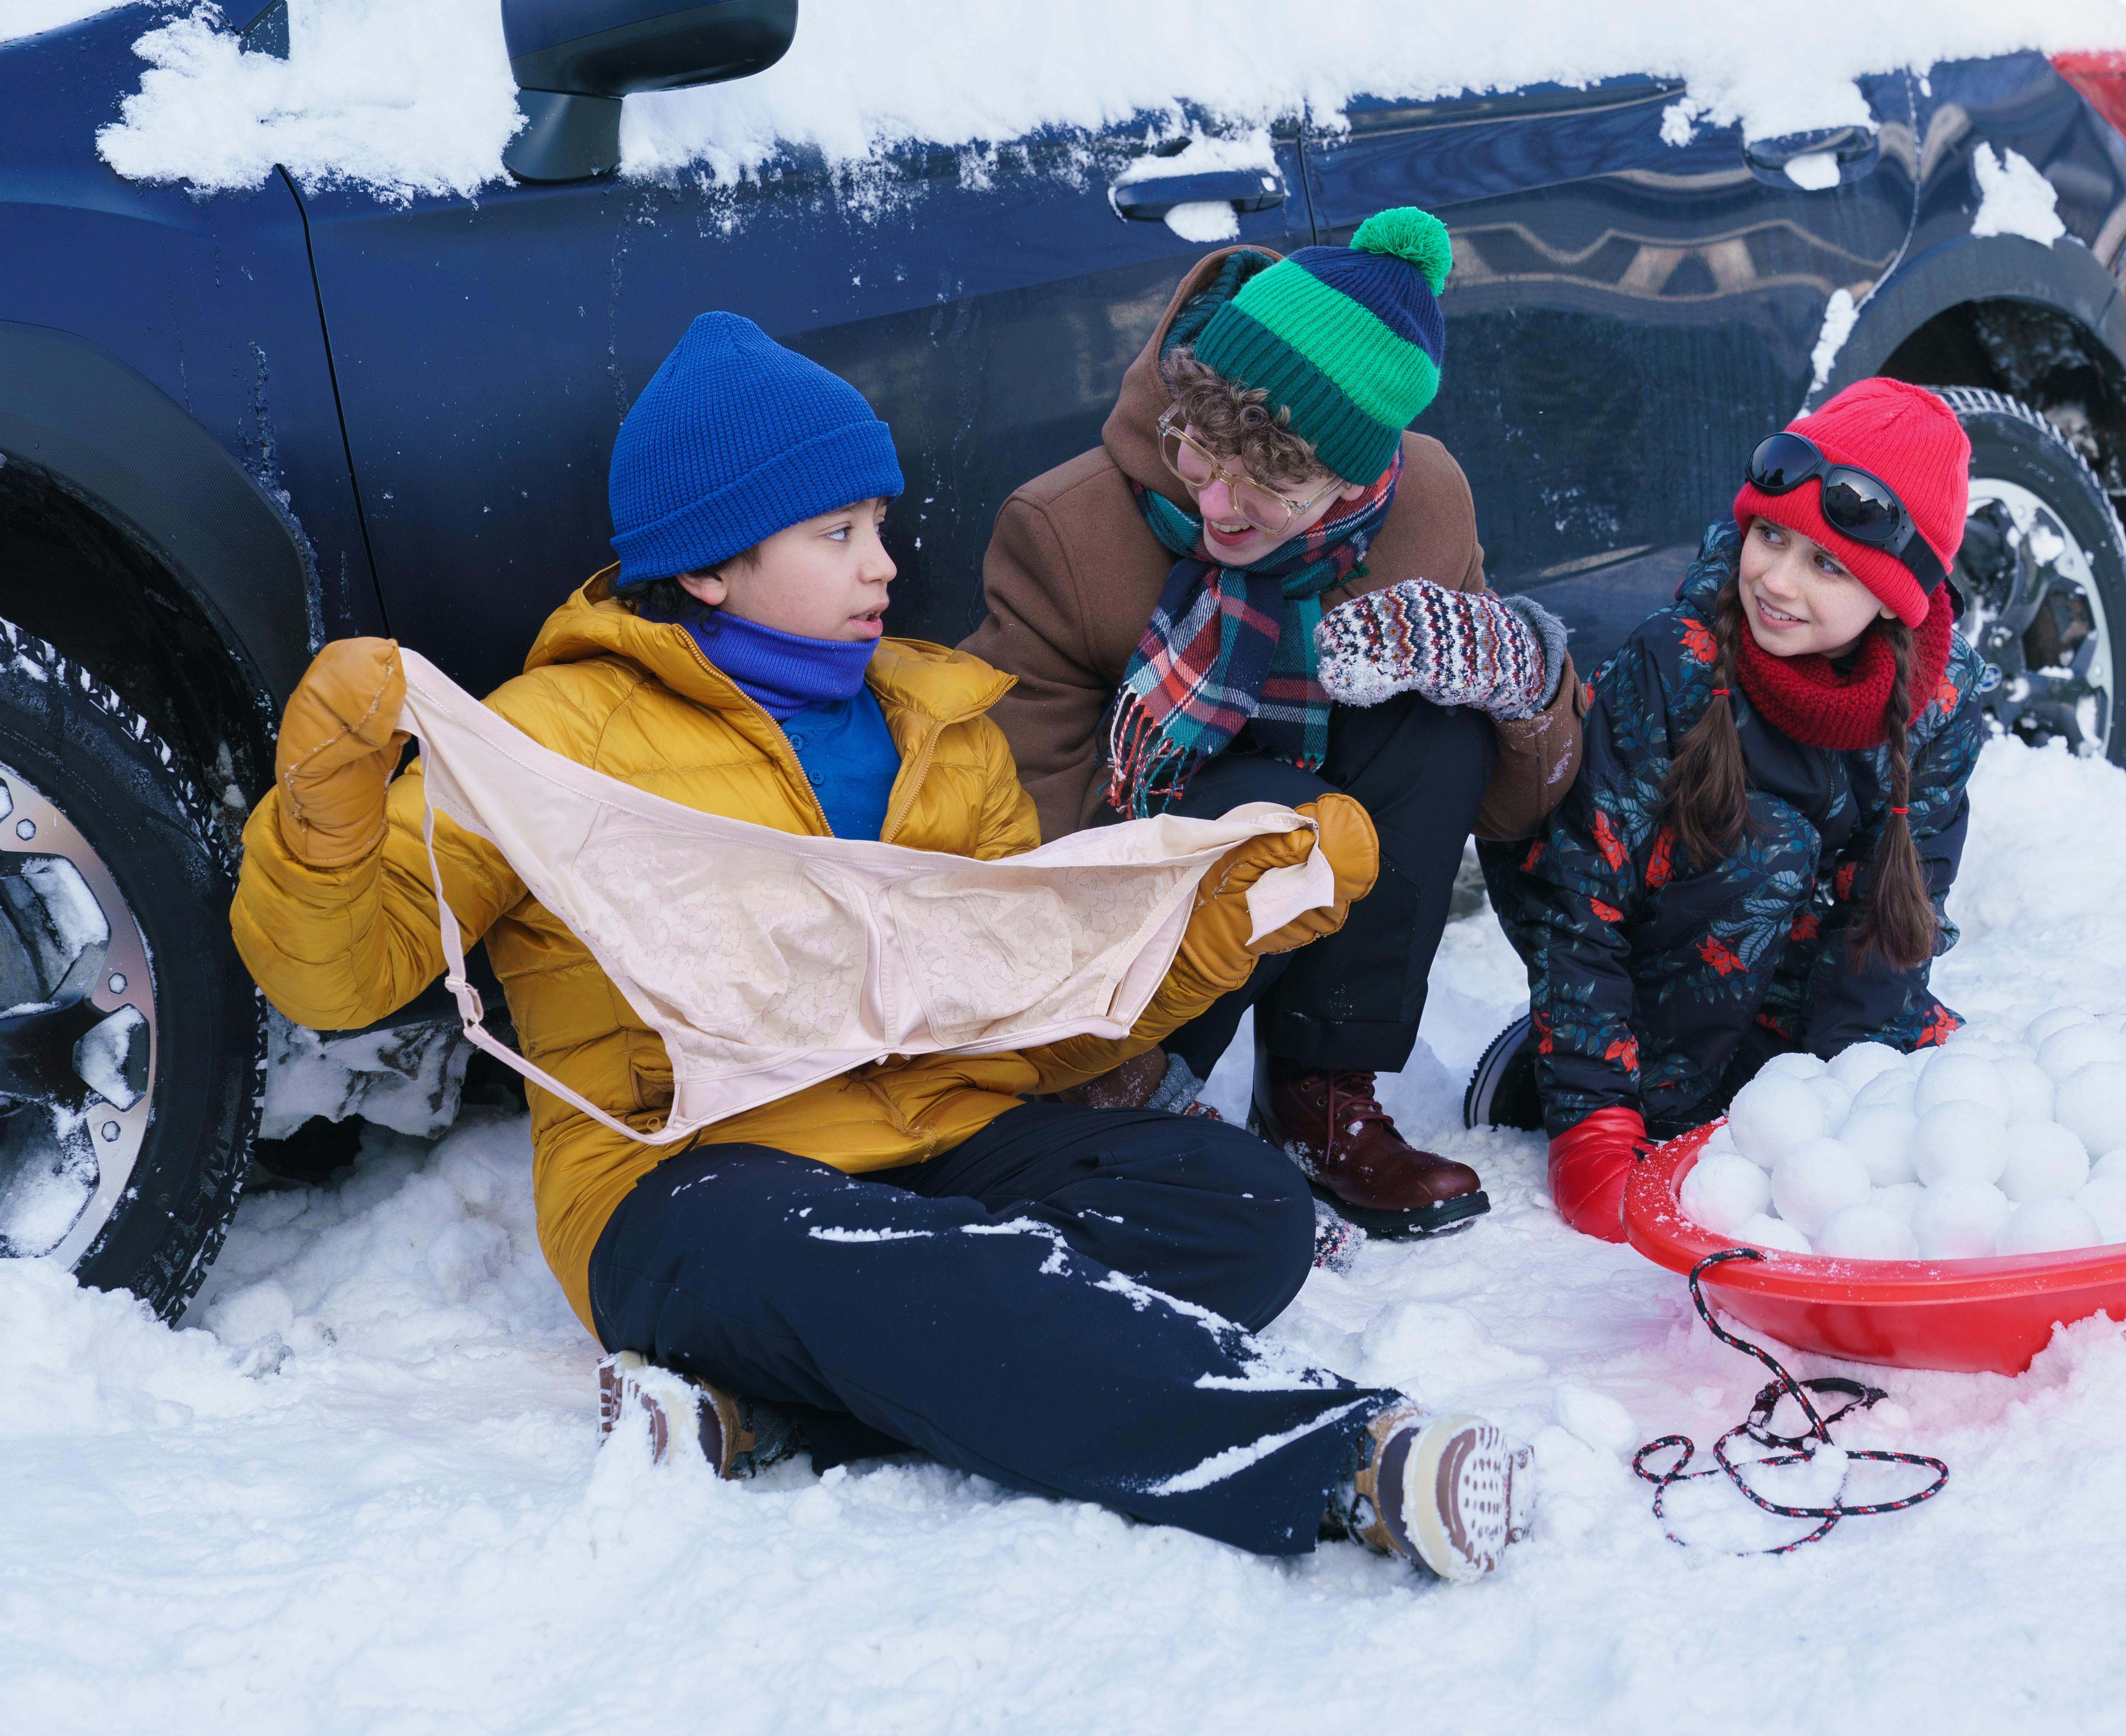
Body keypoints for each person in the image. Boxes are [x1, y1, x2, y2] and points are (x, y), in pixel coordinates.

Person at [229, 311, 1525, 1578]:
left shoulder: (937, 727)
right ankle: (1331, 1459)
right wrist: (329, 822)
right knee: (902, 1268)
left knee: (1240, 1207)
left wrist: (1215, 930)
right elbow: (340, 979)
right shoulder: (557, 740)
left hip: (945, 1137)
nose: (884, 567)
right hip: (696, 1183)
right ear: (709, 566)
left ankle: (778, 1415)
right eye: (836, 533)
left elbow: (1033, 1015)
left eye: (882, 528)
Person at [961, 208, 1583, 1241]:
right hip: (1133, 910)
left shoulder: (1427, 503)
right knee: (1282, 811)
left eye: (1274, 476)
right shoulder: (1065, 530)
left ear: (1356, 473)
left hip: (1322, 844)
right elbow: (1015, 820)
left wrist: (1510, 668)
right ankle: (1154, 1088)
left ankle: (1318, 1094)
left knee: (1438, 730)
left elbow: (1515, 807)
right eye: (1202, 449)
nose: (1221, 500)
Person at [1485, 379, 1995, 1240]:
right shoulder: (1675, 664)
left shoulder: (1936, 706)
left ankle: (1769, 1086)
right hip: (1654, 978)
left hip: (1786, 992)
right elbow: (1583, 900)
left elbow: (1890, 927)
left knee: (1964, 1091)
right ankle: (1591, 1077)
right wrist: (1593, 1117)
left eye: (1828, 564)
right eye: (1771, 536)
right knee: (1773, 847)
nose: (1778, 580)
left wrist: (1853, 1110)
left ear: (1894, 597)